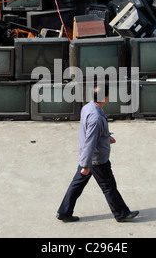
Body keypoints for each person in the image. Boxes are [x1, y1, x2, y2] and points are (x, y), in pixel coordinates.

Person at [56, 82, 139, 223]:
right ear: (106, 98)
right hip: (96, 159)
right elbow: (90, 141)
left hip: (88, 157)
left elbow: (91, 133)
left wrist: (107, 136)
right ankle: (121, 213)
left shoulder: (88, 107)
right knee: (109, 186)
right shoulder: (96, 117)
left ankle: (64, 212)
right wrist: (86, 165)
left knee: (77, 185)